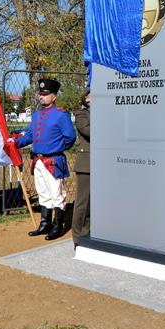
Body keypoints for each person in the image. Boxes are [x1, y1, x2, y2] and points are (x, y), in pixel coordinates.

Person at [12, 78, 76, 241]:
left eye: (45, 94)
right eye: (40, 94)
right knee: (43, 193)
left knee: (56, 193)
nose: (41, 97)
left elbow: (70, 137)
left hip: (53, 161)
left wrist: (57, 148)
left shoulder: (61, 115)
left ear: (53, 96)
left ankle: (58, 226)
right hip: (38, 161)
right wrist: (16, 142)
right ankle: (45, 224)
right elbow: (31, 136)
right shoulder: (36, 115)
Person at [72, 90, 91, 248]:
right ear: (86, 98)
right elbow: (88, 131)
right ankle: (77, 238)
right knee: (82, 203)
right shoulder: (81, 114)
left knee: (94, 203)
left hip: (103, 163)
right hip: (87, 164)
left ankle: (88, 232)